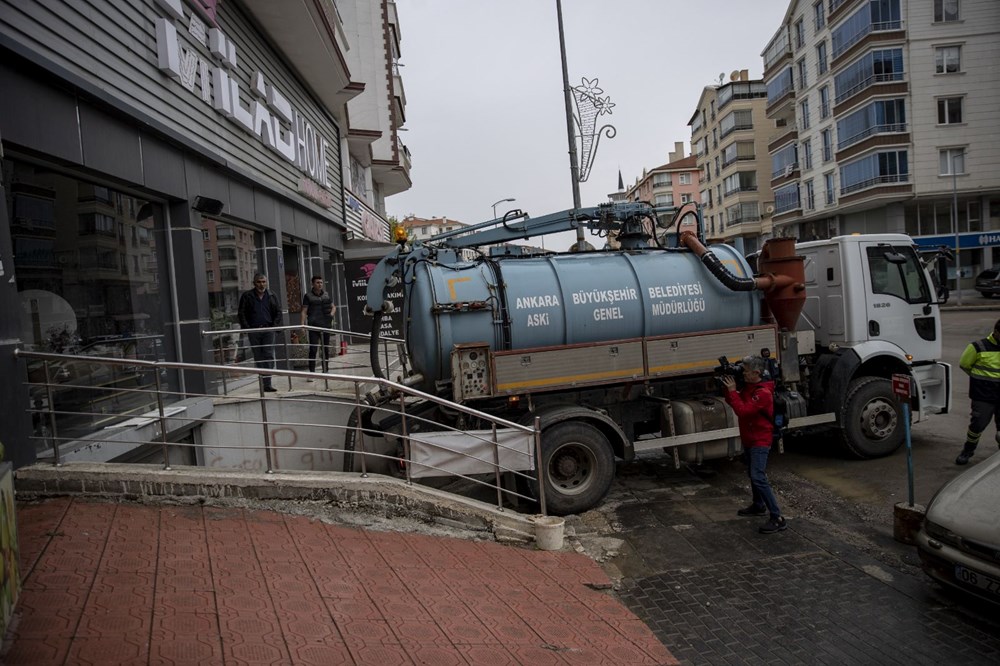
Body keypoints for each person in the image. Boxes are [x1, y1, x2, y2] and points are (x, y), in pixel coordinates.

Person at [721, 355, 786, 534]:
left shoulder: (762, 393)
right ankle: (758, 505)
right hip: (750, 438)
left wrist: (733, 391)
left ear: (756, 373)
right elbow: (733, 401)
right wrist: (728, 388)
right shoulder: (749, 388)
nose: (743, 374)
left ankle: (777, 517)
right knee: (752, 473)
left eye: (746, 371)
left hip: (760, 440)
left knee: (758, 476)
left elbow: (743, 411)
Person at [955, 319, 1000, 465]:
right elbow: (965, 364)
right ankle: (967, 451)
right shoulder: (978, 347)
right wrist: (981, 381)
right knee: (977, 426)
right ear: (996, 332)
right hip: (983, 396)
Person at [238, 273, 282, 392]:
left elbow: (278, 312)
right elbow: (241, 313)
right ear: (254, 283)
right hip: (254, 330)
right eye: (259, 282)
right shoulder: (247, 296)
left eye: (263, 282)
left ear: (266, 282)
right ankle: (263, 380)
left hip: (268, 330)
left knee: (268, 355)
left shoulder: (272, 295)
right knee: (258, 356)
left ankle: (267, 383)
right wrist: (248, 328)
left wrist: (274, 327)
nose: (261, 284)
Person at [300, 275, 336, 381]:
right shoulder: (308, 296)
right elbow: (304, 311)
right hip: (314, 326)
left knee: (325, 348)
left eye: (321, 282)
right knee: (313, 349)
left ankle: (326, 370)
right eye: (317, 282)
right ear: (312, 284)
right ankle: (311, 373)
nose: (319, 284)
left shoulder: (326, 295)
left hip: (326, 325)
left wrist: (331, 315)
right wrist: (302, 324)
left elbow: (333, 307)